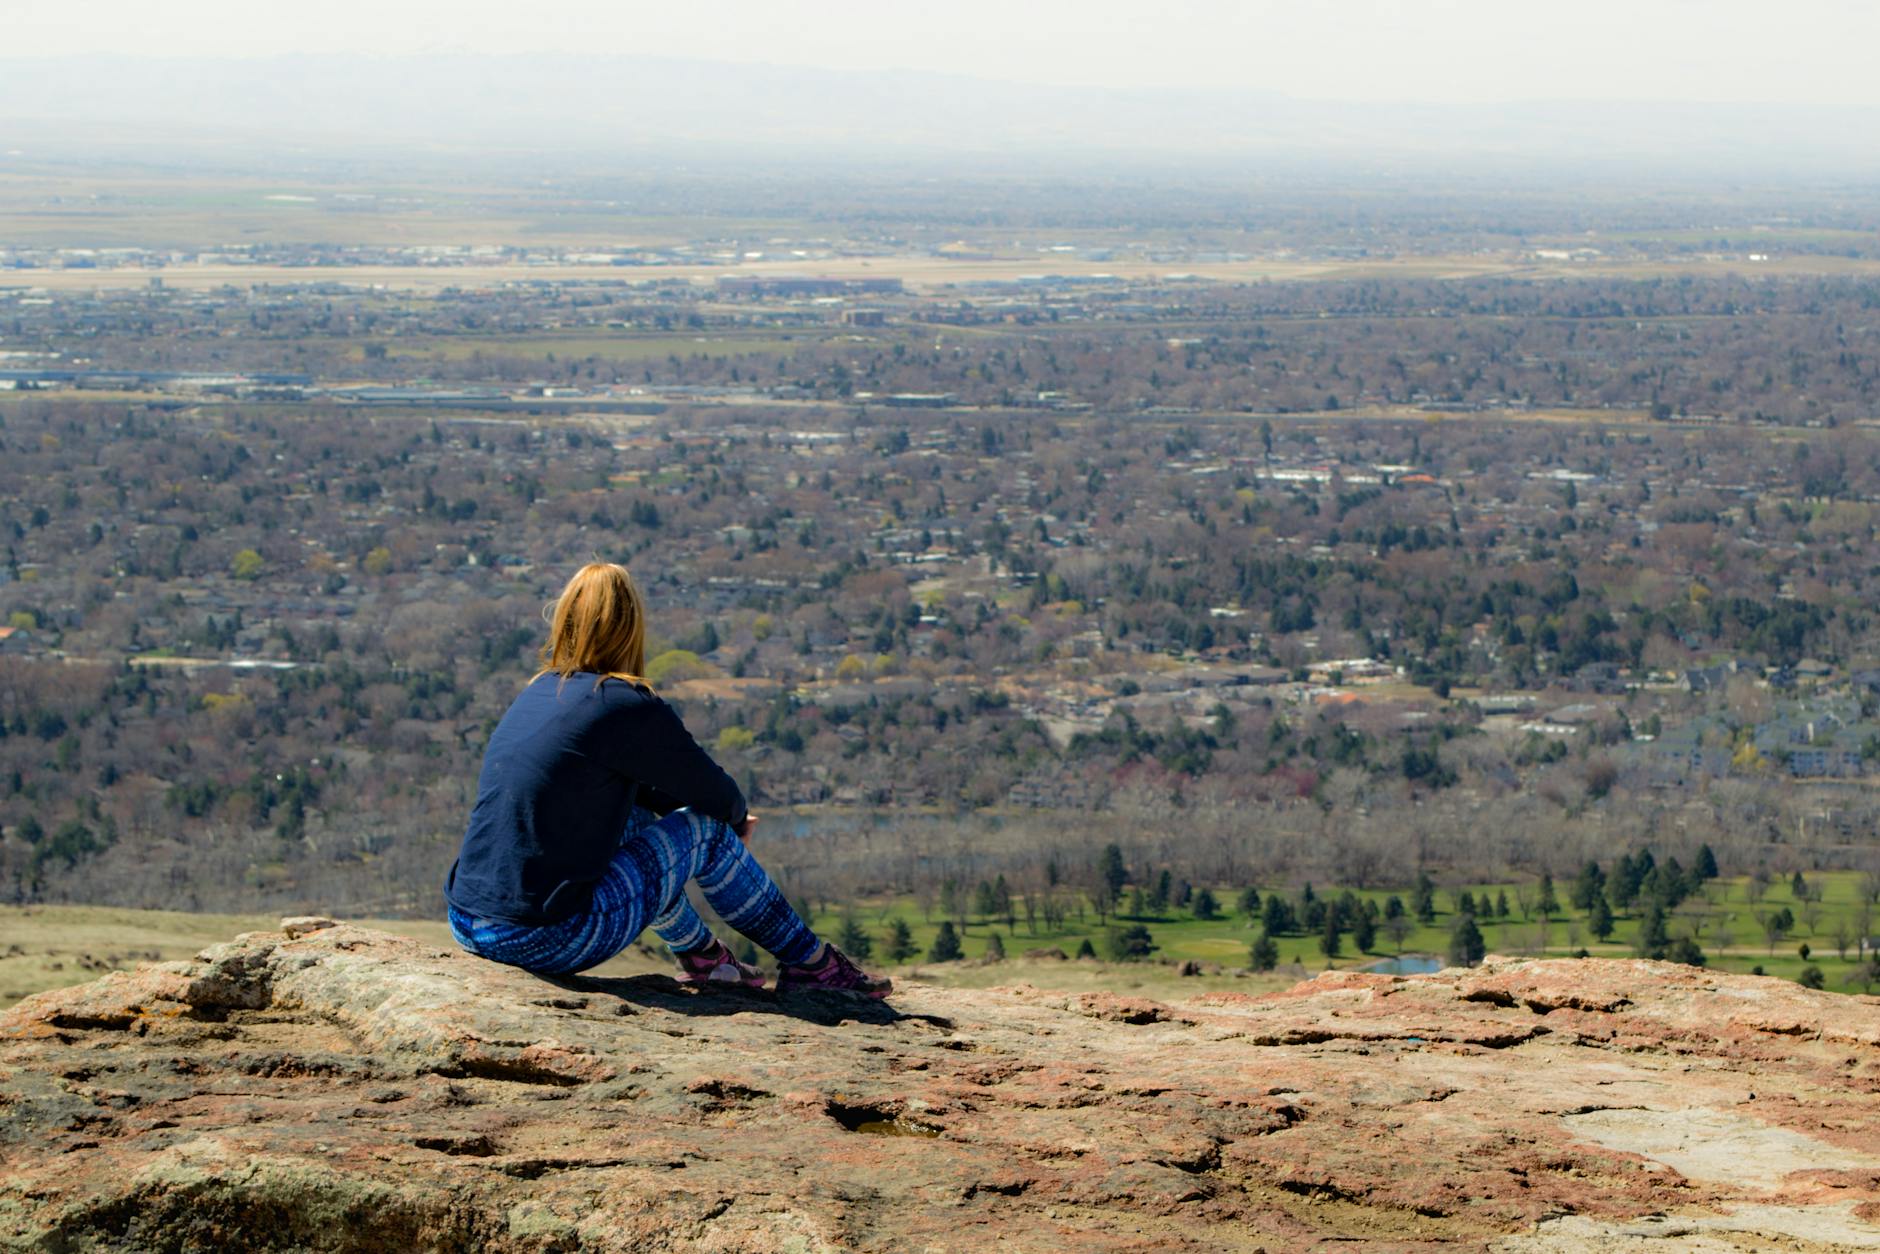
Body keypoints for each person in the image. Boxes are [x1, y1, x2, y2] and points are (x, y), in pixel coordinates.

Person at [444, 562, 890, 998]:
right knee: (705, 833)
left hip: (468, 921)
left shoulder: (540, 690)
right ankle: (812, 964)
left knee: (634, 821)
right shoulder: (621, 702)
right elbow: (713, 794)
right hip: (546, 936)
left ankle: (706, 960)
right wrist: (733, 822)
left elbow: (646, 795)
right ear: (630, 627)